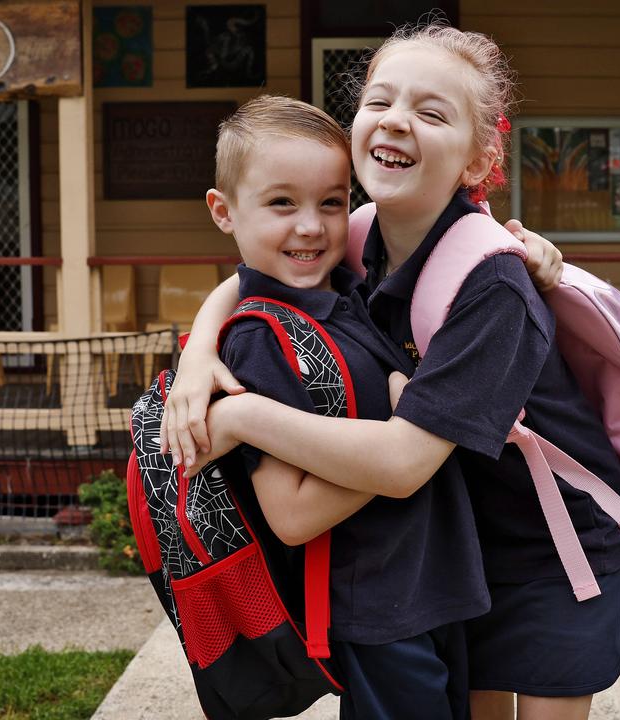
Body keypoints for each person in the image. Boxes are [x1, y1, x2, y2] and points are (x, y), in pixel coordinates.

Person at [169, 24, 620, 720]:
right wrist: (198, 354)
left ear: (479, 161)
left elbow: (401, 464)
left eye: (431, 111)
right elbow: (254, 279)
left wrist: (237, 416)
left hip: (553, 552)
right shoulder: (355, 235)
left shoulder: (494, 289)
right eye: (379, 100)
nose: (395, 119)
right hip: (461, 541)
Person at [203, 94, 489, 720]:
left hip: (430, 584)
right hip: (375, 605)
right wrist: (412, 438)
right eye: (282, 203)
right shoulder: (259, 342)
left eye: (331, 203)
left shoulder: (344, 290)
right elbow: (294, 516)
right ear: (224, 212)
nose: (311, 226)